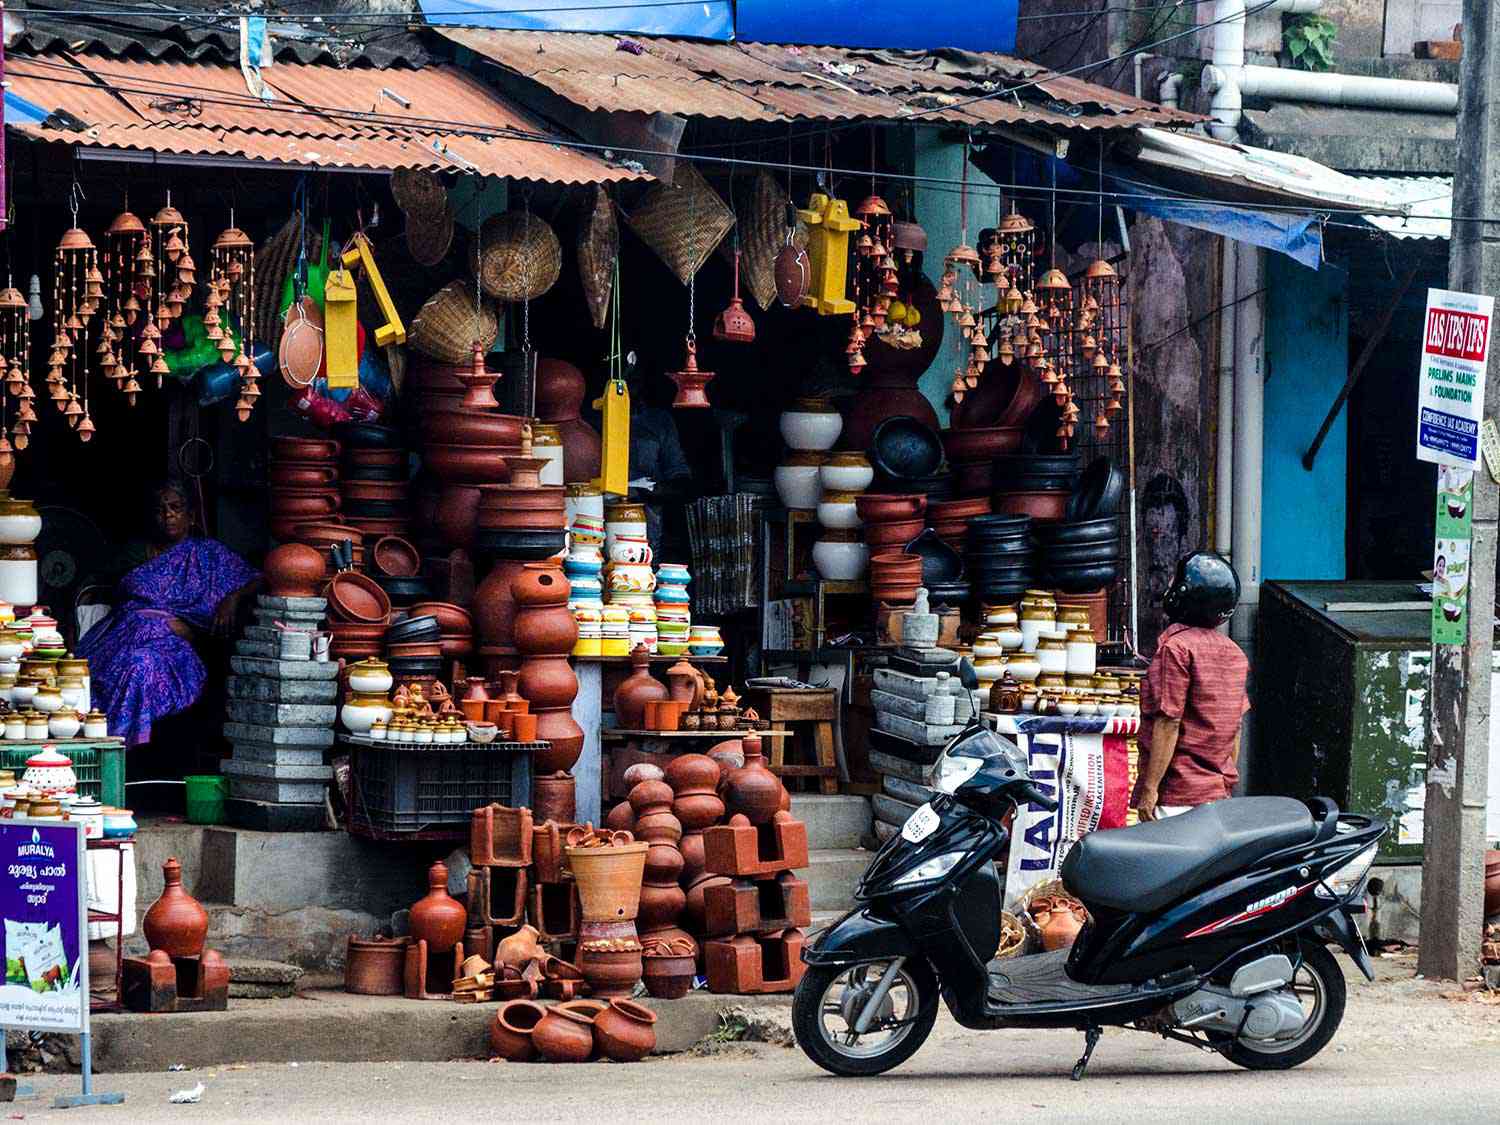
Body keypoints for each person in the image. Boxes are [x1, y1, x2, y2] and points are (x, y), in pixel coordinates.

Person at [77, 480, 260, 747]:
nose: (168, 515)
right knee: (95, 674)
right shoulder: (135, 552)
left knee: (140, 667)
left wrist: (232, 598)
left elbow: (257, 578)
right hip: (123, 635)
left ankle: (119, 747)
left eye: (175, 508)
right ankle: (97, 743)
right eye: (160, 510)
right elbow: (93, 583)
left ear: (192, 516)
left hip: (173, 645)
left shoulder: (208, 554)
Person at [1131, 551, 1249, 821]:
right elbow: (1236, 726)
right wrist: (1225, 781)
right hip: (1216, 797)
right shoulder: (1234, 653)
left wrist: (1150, 790)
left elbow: (1168, 723)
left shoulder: (1176, 649)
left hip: (1175, 795)